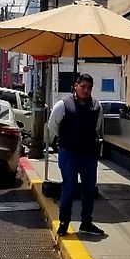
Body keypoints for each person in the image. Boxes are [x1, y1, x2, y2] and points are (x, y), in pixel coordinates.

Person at [47, 73, 105, 237]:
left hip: (88, 154)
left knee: (89, 189)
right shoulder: (63, 104)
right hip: (69, 153)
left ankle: (86, 222)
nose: (86, 90)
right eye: (83, 86)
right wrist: (67, 139)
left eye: (89, 87)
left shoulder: (96, 106)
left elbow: (97, 127)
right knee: (69, 186)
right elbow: (53, 126)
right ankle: (64, 222)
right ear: (75, 86)